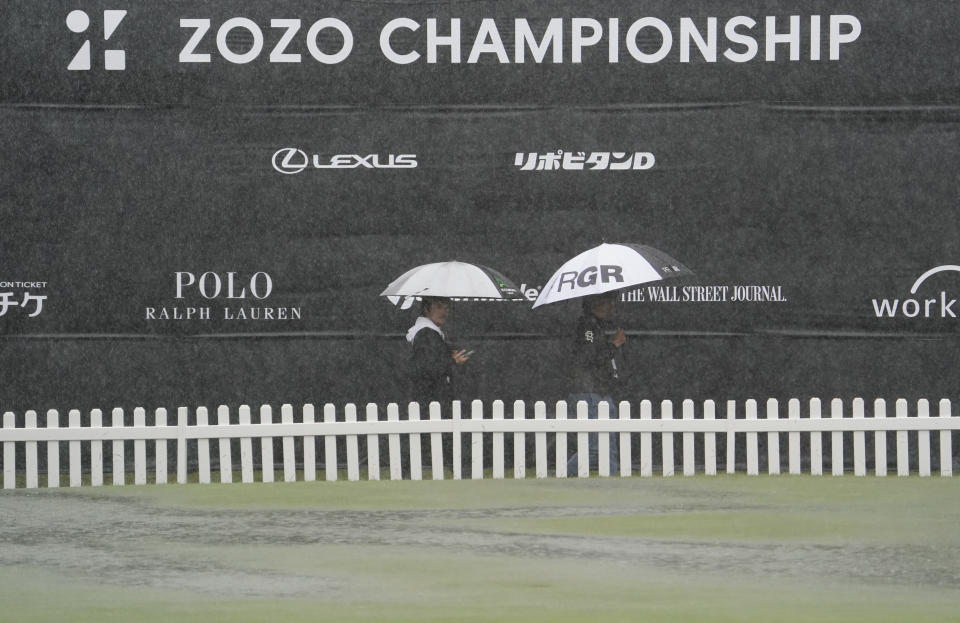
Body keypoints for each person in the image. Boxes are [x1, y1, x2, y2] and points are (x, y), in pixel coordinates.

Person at [567, 292, 624, 474]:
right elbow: (589, 356)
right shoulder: (587, 328)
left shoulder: (594, 327)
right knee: (594, 446)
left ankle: (613, 477)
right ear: (596, 305)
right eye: (608, 303)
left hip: (599, 391)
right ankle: (562, 475)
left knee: (609, 444)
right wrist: (614, 344)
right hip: (589, 392)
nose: (611, 308)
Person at [407, 296, 470, 404]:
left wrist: (448, 353)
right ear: (426, 309)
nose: (444, 311)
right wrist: (453, 361)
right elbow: (429, 366)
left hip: (430, 396)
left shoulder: (429, 333)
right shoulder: (427, 333)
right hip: (432, 398)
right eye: (439, 307)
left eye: (446, 307)